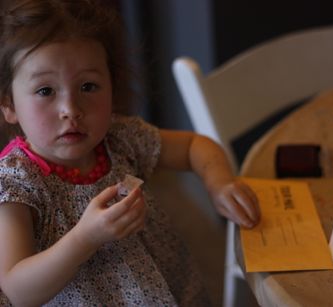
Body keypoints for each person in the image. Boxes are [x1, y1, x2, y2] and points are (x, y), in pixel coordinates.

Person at [0, 0, 260, 306]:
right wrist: (85, 238)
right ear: (10, 106)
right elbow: (17, 291)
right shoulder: (16, 183)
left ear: (112, 86)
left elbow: (195, 146)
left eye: (88, 86)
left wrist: (220, 183)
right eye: (45, 91)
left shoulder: (120, 138)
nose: (71, 110)